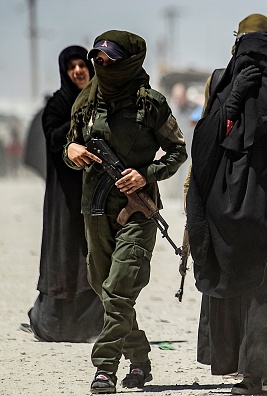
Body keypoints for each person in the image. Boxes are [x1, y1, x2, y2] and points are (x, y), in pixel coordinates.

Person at [186, 14, 267, 394]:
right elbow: (204, 145)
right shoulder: (223, 85)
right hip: (227, 206)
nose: (254, 61)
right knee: (240, 285)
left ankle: (261, 372)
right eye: (247, 50)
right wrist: (230, 102)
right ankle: (252, 365)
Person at [64, 30, 187, 393]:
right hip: (96, 209)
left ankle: (105, 368)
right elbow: (70, 146)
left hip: (137, 211)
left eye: (109, 61)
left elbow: (178, 151)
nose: (101, 66)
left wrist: (145, 174)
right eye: (97, 60)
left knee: (118, 291)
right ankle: (140, 359)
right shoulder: (86, 103)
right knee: (103, 289)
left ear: (129, 62)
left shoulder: (151, 104)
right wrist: (72, 151)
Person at [23, 45, 104, 342]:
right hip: (65, 198)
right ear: (65, 72)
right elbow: (53, 136)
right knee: (64, 254)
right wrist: (76, 132)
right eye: (71, 67)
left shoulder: (103, 100)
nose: (78, 71)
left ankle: (93, 325)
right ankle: (52, 324)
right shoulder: (58, 104)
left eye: (81, 65)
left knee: (95, 256)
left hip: (97, 194)